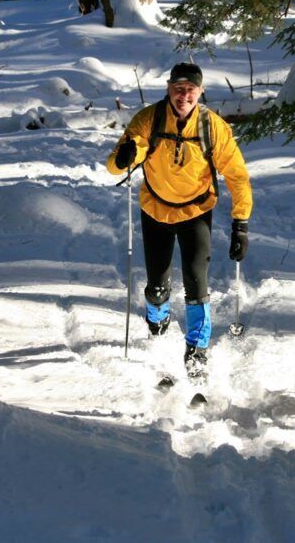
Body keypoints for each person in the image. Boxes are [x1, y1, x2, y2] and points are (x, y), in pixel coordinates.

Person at [107, 62, 252, 378]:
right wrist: (125, 156)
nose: (183, 95)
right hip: (155, 210)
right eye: (178, 88)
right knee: (157, 287)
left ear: (200, 92)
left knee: (195, 281)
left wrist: (240, 224)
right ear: (169, 89)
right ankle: (157, 323)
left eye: (190, 90)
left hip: (195, 212)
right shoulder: (149, 118)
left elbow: (237, 176)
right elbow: (116, 165)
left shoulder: (213, 128)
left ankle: (197, 351)